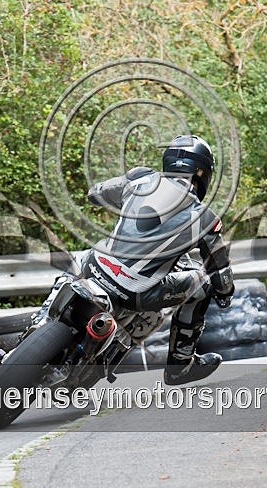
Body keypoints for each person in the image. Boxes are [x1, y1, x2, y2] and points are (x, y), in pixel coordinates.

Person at [83, 135, 235, 385]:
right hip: (134, 290)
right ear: (201, 171)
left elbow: (95, 193)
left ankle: (34, 329)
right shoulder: (204, 217)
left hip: (95, 264)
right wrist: (225, 292)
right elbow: (219, 269)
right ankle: (181, 365)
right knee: (203, 287)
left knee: (72, 271)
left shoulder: (140, 179)